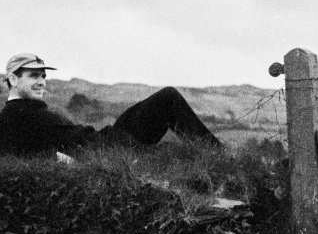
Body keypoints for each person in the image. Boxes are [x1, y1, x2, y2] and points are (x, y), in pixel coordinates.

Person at [0, 53, 221, 158]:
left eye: (43, 76)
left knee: (166, 98)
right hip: (109, 148)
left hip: (108, 137)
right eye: (33, 76)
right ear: (13, 79)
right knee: (168, 98)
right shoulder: (13, 117)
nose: (41, 82)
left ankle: (217, 154)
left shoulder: (28, 110)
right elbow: (16, 151)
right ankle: (220, 156)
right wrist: (59, 159)